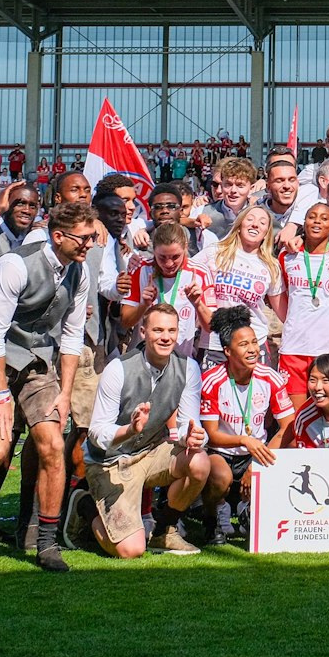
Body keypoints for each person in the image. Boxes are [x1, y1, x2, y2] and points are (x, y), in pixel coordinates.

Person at [0, 201, 100, 572]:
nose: (90, 244)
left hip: (38, 364)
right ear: (59, 237)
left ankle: (45, 541)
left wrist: (64, 393)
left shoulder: (80, 270)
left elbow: (72, 337)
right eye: (85, 238)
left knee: (53, 445)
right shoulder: (14, 264)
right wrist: (1, 395)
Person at [63, 302, 209, 558]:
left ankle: (165, 531)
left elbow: (189, 423)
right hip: (109, 461)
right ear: (143, 332)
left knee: (199, 462)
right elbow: (97, 432)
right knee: (131, 550)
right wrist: (129, 430)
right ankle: (83, 504)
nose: (166, 337)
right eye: (158, 330)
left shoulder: (189, 367)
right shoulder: (117, 368)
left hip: (150, 453)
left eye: (172, 331)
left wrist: (194, 436)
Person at [197, 307, 294, 545]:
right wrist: (243, 440)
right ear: (227, 351)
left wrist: (258, 462)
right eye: (244, 345)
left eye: (254, 342)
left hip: (256, 453)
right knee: (220, 478)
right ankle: (211, 521)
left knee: (285, 458)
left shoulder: (270, 377)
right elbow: (211, 435)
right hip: (222, 452)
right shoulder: (212, 381)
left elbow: (288, 427)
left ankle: (247, 513)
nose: (253, 349)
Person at [275, 204, 329, 404]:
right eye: (312, 217)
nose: (317, 221)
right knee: (295, 420)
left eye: (324, 218)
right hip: (294, 348)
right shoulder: (287, 256)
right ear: (304, 223)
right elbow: (280, 297)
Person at [196, 205, 282, 368]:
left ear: (267, 233)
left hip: (253, 345)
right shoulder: (214, 252)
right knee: (210, 393)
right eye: (250, 219)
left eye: (263, 223)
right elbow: (184, 269)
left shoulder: (271, 266)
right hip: (215, 343)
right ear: (239, 225)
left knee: (253, 394)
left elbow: (284, 312)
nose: (255, 224)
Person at [123, 223, 210, 363]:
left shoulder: (199, 273)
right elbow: (126, 321)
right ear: (153, 251)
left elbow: (211, 327)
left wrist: (198, 304)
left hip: (181, 362)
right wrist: (143, 305)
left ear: (185, 248)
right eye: (162, 257)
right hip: (142, 360)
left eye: (175, 257)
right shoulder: (140, 269)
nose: (169, 264)